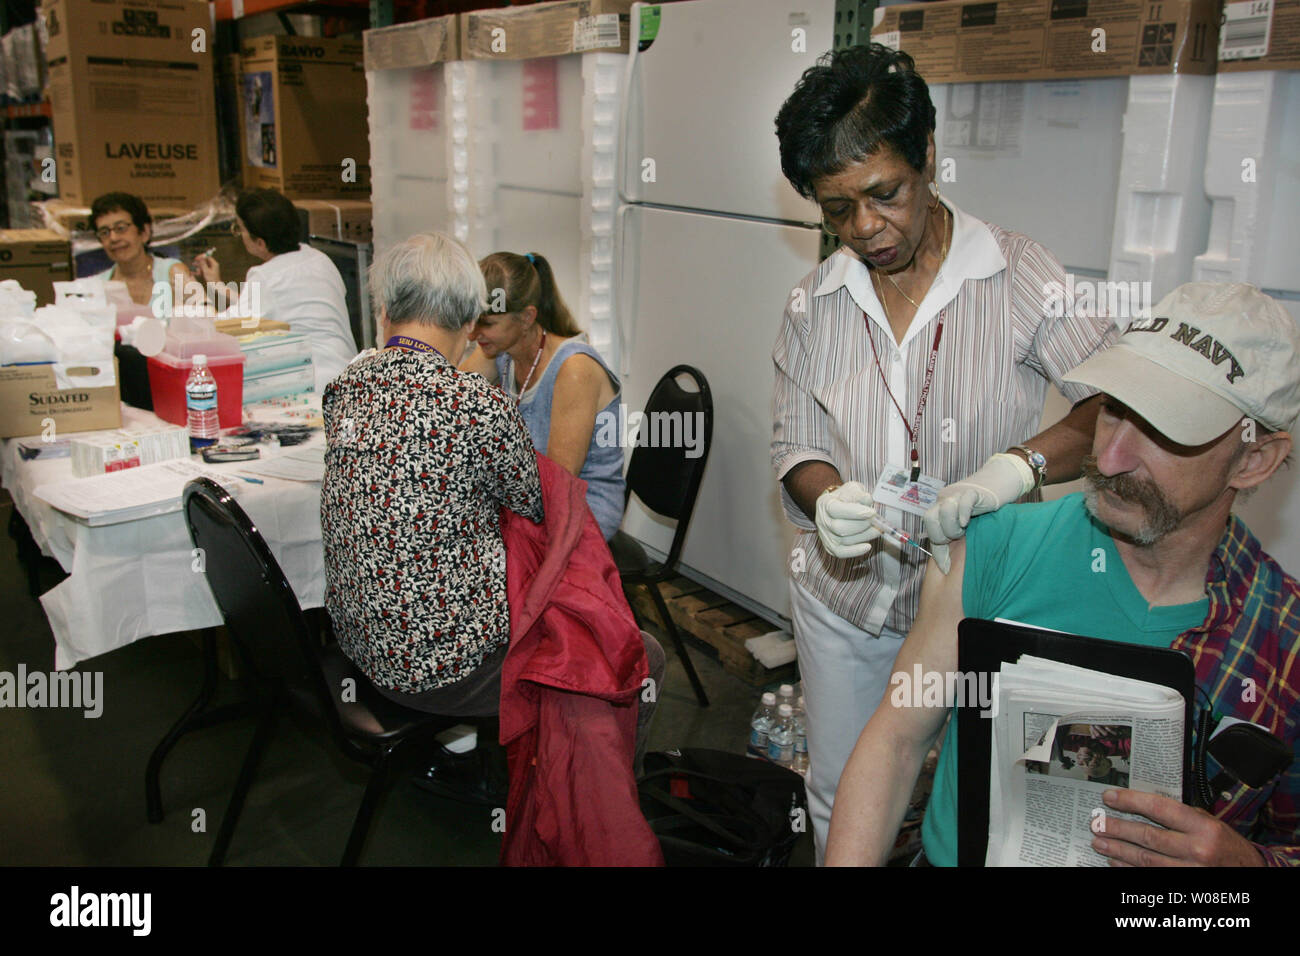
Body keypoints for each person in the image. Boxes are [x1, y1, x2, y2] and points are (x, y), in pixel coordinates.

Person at [770, 43, 1119, 860]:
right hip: (847, 599)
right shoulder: (814, 302)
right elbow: (795, 442)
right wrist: (826, 499)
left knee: (987, 804)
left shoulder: (1019, 274)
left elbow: (1113, 402)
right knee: (844, 785)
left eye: (883, 194)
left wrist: (1020, 465)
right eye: (836, 209)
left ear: (927, 158)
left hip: (979, 597)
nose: (864, 228)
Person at [827, 282, 1300, 867]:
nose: (1108, 458)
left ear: (1254, 459)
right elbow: (898, 741)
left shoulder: (1280, 641)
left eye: (1163, 430)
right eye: (1113, 410)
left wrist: (1245, 868)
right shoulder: (996, 547)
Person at [460, 251, 625, 541]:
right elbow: (450, 400)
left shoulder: (574, 369)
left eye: (487, 323)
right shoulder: (500, 351)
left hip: (583, 511)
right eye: (472, 322)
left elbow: (557, 485)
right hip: (528, 501)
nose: (474, 335)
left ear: (526, 318)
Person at [192, 188, 357, 391]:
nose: (239, 235)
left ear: (260, 243)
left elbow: (227, 326)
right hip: (348, 372)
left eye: (240, 229)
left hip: (316, 382)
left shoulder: (265, 276)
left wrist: (197, 297)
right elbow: (281, 303)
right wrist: (218, 287)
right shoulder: (319, 260)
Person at [90, 192, 193, 318]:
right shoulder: (97, 286)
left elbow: (207, 317)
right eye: (104, 232)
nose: (113, 238)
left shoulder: (172, 272)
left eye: (121, 228)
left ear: (144, 232)